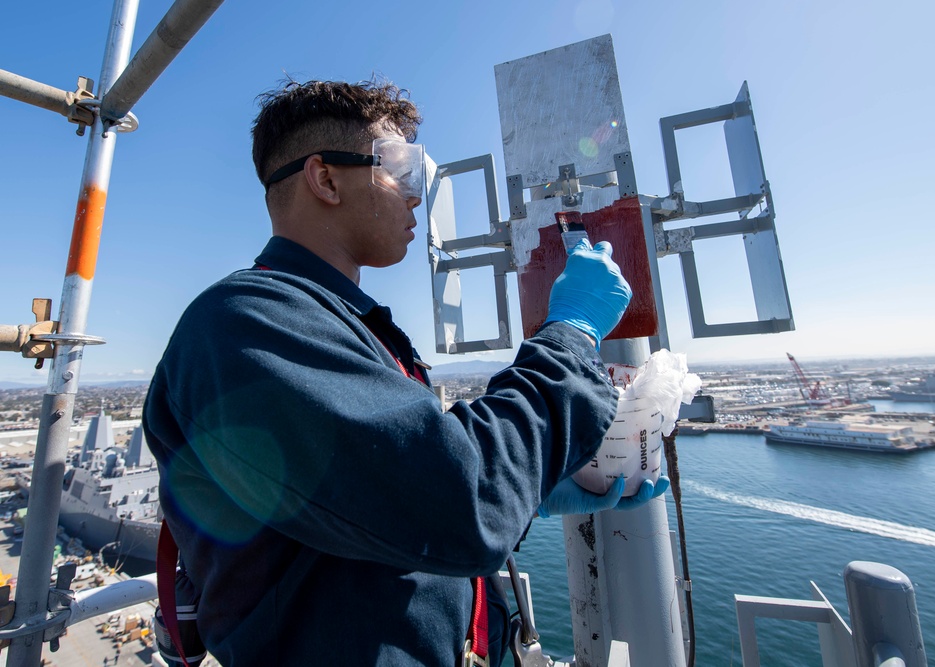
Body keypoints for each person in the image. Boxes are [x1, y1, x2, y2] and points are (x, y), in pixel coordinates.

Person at [142, 78, 666, 666]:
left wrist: (531, 491)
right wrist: (571, 332)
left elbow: (388, 505)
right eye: (399, 169)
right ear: (326, 178)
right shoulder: (245, 322)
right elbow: (460, 499)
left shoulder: (336, 324)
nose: (416, 197)